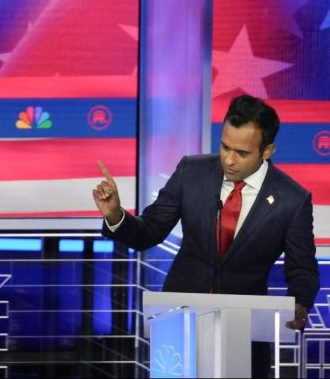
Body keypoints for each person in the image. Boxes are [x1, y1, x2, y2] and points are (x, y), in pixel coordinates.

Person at [93, 94, 319, 377]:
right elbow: (148, 232)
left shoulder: (292, 199)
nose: (229, 159)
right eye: (225, 147)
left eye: (242, 153)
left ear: (267, 151)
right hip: (179, 320)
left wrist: (299, 303)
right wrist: (115, 214)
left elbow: (303, 270)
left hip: (246, 329)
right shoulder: (192, 171)